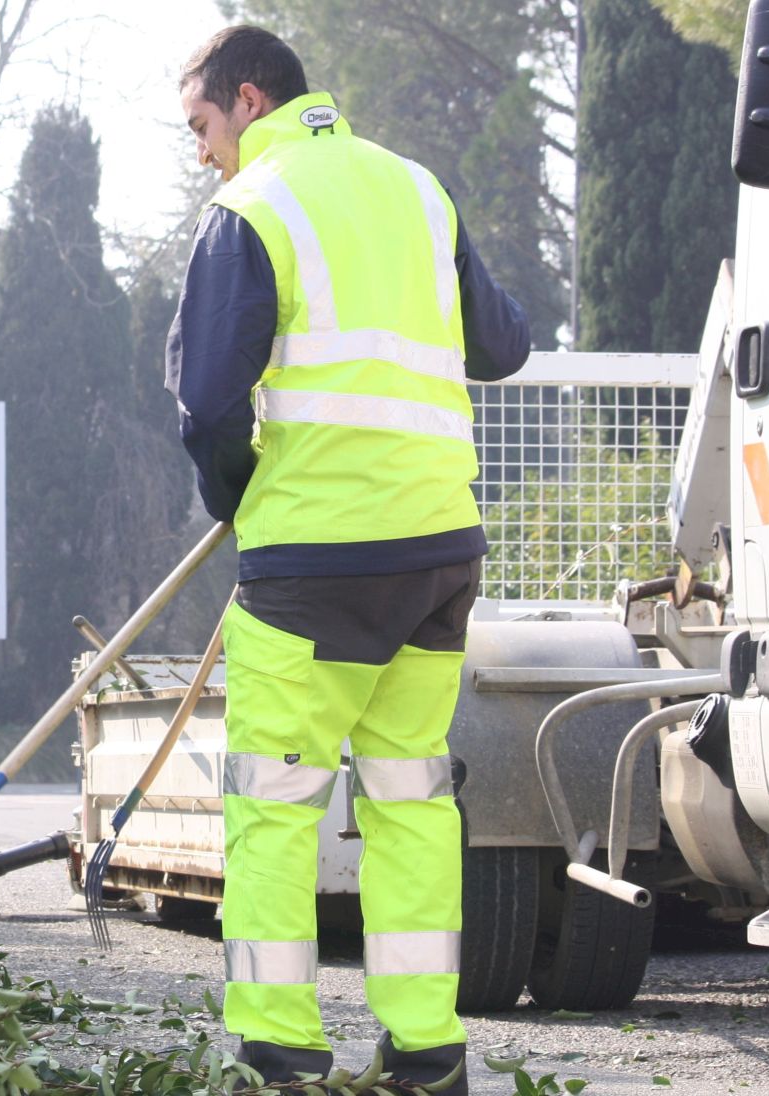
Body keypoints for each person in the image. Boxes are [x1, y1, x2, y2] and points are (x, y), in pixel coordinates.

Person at [165, 25, 531, 1092]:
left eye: (199, 127)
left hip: (313, 562)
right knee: (411, 797)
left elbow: (205, 403)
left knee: (274, 804)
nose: (200, 152)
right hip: (438, 556)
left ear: (247, 98)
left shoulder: (251, 208)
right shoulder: (420, 191)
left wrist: (240, 495)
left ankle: (280, 1051)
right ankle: (426, 1052)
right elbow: (501, 346)